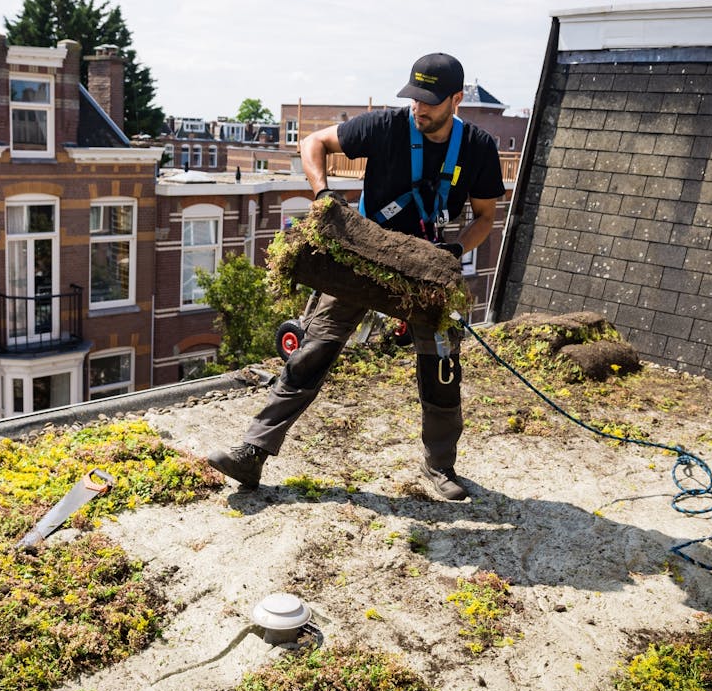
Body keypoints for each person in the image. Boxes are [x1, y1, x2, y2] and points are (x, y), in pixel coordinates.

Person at [209, 53, 506, 500]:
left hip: (423, 267)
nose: (418, 109)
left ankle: (440, 466)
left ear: (456, 100)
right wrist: (324, 196)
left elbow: (485, 217)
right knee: (312, 350)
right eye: (414, 99)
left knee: (442, 366)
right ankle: (252, 452)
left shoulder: (478, 148)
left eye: (429, 102)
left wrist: (454, 251)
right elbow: (313, 144)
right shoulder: (385, 127)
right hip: (363, 256)